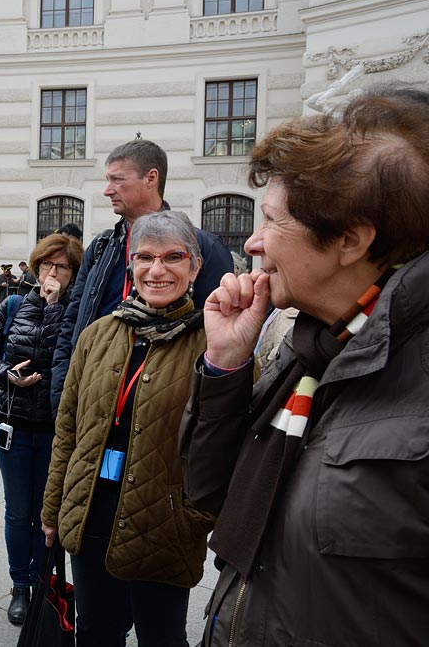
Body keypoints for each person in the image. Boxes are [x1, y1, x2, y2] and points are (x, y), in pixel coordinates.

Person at [179, 85, 429, 646]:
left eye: (272, 221)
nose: (252, 241)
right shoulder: (313, 345)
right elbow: (211, 496)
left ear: (349, 240)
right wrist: (223, 367)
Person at [42, 210, 216, 646]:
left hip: (164, 522)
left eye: (173, 257)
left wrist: (196, 516)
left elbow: (222, 442)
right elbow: (67, 431)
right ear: (131, 265)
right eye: (145, 257)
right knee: (96, 633)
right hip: (91, 513)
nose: (157, 270)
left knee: (162, 637)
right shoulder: (99, 334)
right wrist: (52, 512)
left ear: (194, 268)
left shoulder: (212, 342)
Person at [51, 139, 233, 415]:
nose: (107, 190)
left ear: (151, 178)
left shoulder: (202, 247)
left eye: (117, 180)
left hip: (160, 409)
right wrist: (62, 396)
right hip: (93, 400)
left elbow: (217, 333)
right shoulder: (101, 247)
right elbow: (73, 322)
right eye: (145, 258)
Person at [0, 232, 82, 625]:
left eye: (61, 267)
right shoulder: (13, 304)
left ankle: (43, 584)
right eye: (46, 265)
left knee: (47, 512)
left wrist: (55, 306)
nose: (51, 273)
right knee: (18, 511)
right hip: (13, 425)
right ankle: (20, 585)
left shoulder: (74, 312)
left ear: (73, 274)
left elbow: (66, 355)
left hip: (53, 430)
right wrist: (7, 374)